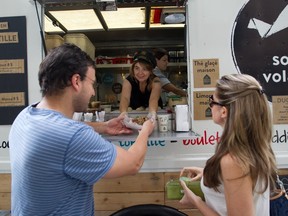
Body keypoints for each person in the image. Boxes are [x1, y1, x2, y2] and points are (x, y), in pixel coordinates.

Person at [9, 43, 156, 216]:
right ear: (76, 81)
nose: (93, 93)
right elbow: (133, 163)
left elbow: (58, 129)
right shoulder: (73, 136)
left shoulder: (25, 116)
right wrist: (145, 129)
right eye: (92, 83)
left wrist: (103, 127)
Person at [179, 74, 277, 216]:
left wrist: (195, 200)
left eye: (212, 100)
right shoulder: (252, 147)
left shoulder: (233, 160)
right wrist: (208, 174)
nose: (210, 105)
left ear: (224, 111)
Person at [119, 50, 162, 119]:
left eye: (144, 69)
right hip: (133, 117)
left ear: (151, 71)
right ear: (133, 69)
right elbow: (125, 99)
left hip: (157, 117)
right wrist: (123, 114)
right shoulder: (128, 81)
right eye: (137, 68)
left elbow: (153, 100)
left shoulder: (156, 81)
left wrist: (152, 115)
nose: (140, 73)